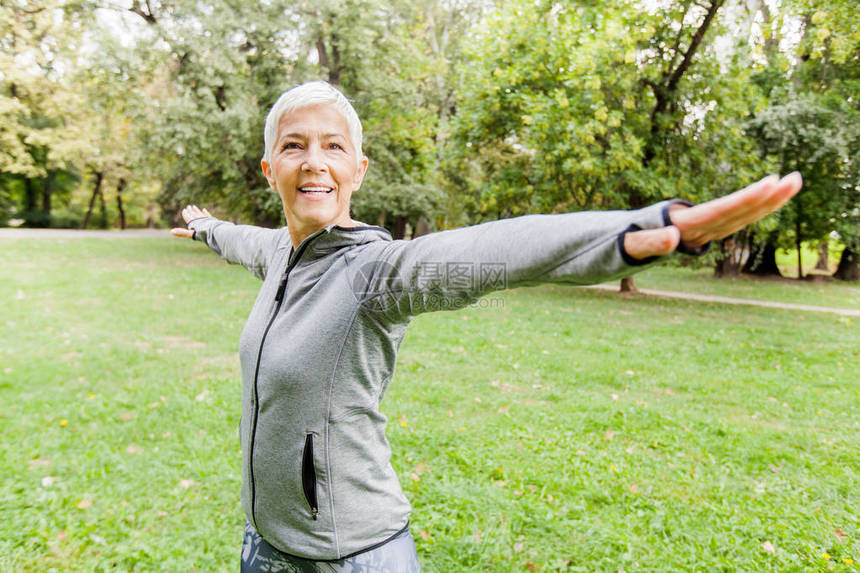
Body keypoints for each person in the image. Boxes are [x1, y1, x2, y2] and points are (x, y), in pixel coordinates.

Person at [171, 80, 802, 572]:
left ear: (358, 170)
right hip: (266, 542)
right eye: (294, 145)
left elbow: (495, 250)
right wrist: (205, 228)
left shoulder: (375, 273)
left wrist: (636, 231)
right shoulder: (277, 254)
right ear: (269, 168)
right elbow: (241, 239)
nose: (314, 161)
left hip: (353, 552)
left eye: (334, 146)